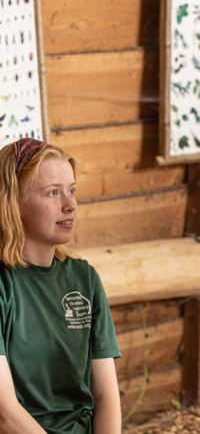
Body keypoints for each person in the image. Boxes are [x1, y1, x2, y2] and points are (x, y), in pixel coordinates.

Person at [0, 138, 122, 433]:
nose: (70, 205)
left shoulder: (84, 278)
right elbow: (4, 414)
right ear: (13, 203)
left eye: (72, 191)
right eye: (53, 193)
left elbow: (106, 395)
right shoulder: (4, 284)